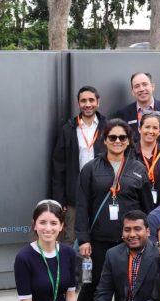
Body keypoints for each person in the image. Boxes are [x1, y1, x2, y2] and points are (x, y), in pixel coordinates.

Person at [75, 118, 154, 301]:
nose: (117, 141)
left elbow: (148, 208)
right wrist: (84, 239)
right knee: (92, 286)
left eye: (122, 137)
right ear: (104, 140)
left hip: (130, 241)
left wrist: (151, 237)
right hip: (99, 241)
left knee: (130, 285)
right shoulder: (90, 169)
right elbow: (82, 205)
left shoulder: (138, 169)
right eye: (112, 137)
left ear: (129, 141)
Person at [50, 86, 107, 243]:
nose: (87, 104)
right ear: (78, 103)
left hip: (101, 192)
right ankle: (72, 269)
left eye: (91, 100)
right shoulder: (68, 129)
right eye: (83, 101)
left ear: (98, 102)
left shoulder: (107, 127)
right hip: (74, 196)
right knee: (70, 240)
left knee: (100, 237)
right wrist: (59, 200)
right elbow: (58, 167)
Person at [113, 72, 160, 141]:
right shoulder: (122, 114)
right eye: (137, 86)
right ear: (132, 91)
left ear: (152, 87)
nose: (141, 89)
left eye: (145, 84)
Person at [132, 112, 160, 207]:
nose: (151, 131)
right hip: (135, 208)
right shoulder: (129, 153)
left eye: (155, 128)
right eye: (147, 127)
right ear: (140, 129)